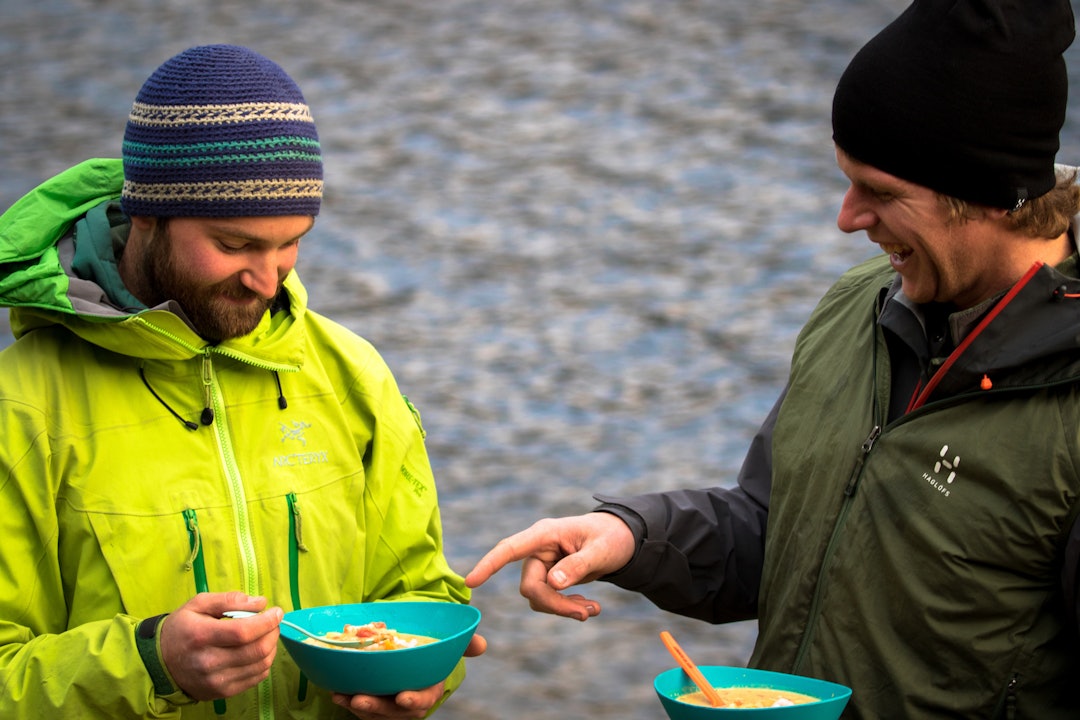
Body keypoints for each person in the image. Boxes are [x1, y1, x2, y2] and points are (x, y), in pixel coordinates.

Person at [466, 1, 1080, 717]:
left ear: (991, 198)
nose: (847, 217)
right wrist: (631, 537)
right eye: (847, 179)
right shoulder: (858, 306)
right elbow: (775, 528)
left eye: (881, 193)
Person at [0, 44, 483, 719]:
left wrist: (423, 679)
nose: (267, 279)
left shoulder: (354, 375)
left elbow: (419, 594)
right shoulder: (19, 408)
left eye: (291, 242)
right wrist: (146, 664)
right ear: (147, 213)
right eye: (235, 246)